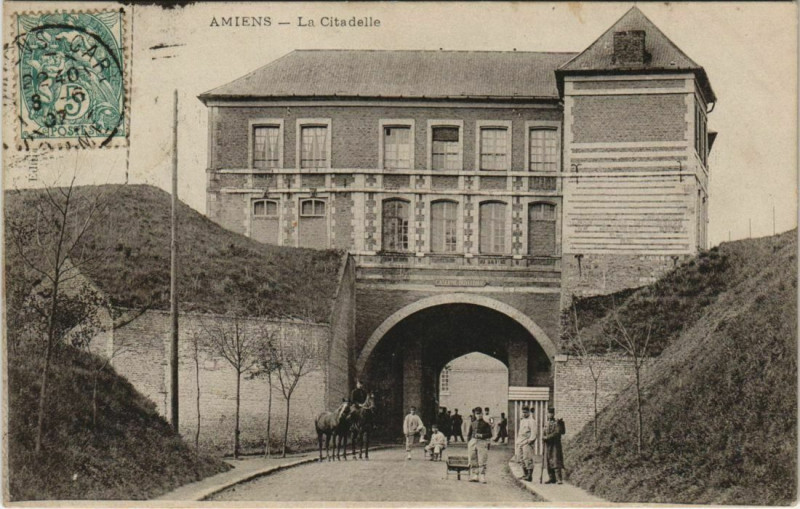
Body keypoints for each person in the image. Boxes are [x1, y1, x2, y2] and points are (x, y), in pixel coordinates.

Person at [466, 406, 493, 483]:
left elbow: (491, 429)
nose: (478, 415)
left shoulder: (489, 419)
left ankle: (482, 476)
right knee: (473, 458)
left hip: (482, 441)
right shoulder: (473, 423)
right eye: (477, 414)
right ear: (475, 414)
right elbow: (469, 433)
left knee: (482, 459)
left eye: (480, 413)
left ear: (483, 413)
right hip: (473, 441)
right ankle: (475, 475)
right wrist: (469, 442)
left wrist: (482, 435)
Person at [543, 407, 564, 484]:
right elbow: (544, 431)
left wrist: (547, 437)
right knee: (548, 460)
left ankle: (559, 479)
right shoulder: (546, 423)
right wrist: (543, 437)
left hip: (555, 444)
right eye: (548, 413)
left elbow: (557, 433)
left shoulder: (557, 422)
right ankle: (551, 478)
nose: (550, 415)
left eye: (551, 413)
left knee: (555, 460)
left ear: (553, 414)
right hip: (548, 445)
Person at [515, 407, 537, 482]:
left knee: (527, 458)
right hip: (520, 441)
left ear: (529, 412)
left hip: (527, 442)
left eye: (525, 412)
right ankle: (525, 474)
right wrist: (518, 442)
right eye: (523, 412)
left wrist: (529, 442)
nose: (524, 414)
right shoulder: (522, 421)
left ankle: (529, 476)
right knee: (521, 459)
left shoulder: (532, 421)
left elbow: (533, 434)